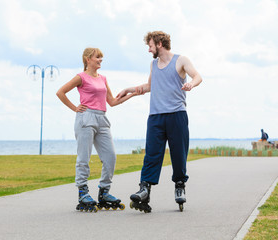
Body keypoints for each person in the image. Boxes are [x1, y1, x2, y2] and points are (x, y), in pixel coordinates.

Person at [117, 31, 203, 213]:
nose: (149, 50)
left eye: (150, 46)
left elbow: (197, 76)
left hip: (176, 115)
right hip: (155, 116)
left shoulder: (181, 60)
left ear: (159, 43)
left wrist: (191, 84)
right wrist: (129, 90)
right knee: (152, 154)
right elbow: (150, 86)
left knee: (178, 153)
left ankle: (180, 186)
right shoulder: (153, 64)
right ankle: (144, 189)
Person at [56, 47, 137, 212]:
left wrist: (132, 94)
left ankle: (104, 191)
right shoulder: (81, 77)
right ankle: (82, 192)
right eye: (97, 57)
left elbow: (112, 102)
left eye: (101, 58)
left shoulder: (103, 78)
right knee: (84, 158)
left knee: (110, 157)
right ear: (88, 59)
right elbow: (60, 92)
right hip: (86, 118)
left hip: (102, 118)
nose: (100, 60)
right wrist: (74, 108)